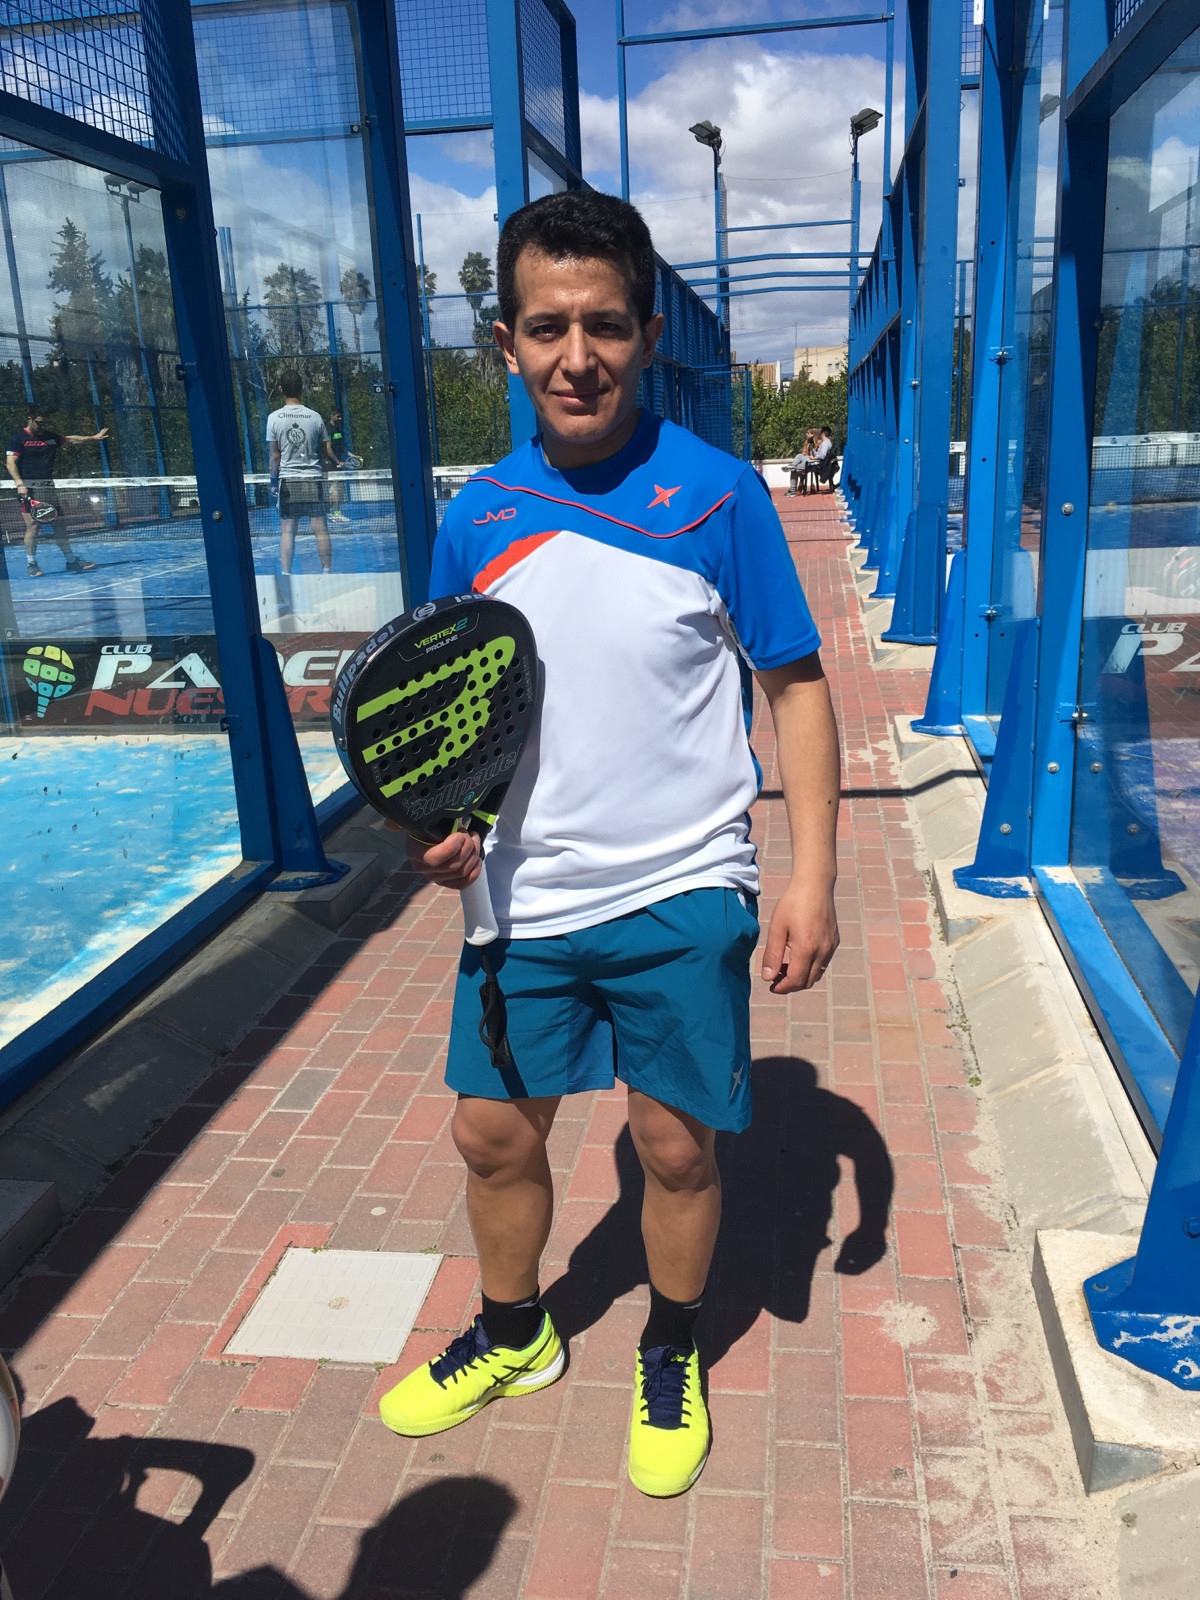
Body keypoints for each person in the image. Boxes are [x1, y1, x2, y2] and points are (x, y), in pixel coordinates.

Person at [377, 191, 840, 1499]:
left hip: (682, 886)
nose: (576, 356)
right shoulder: (477, 516)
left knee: (677, 1147)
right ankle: (515, 1335)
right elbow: (460, 705)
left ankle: (672, 1347)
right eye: (546, 327)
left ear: (645, 334)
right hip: (523, 896)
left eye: (604, 325)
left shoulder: (719, 495)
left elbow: (796, 687)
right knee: (490, 1134)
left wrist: (810, 876)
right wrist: (450, 824)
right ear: (506, 344)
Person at [5, 406, 108, 577]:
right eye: (39, 423)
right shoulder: (18, 438)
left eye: (45, 423)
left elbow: (71, 439)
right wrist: (19, 484)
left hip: (47, 488)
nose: (42, 426)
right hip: (28, 488)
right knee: (33, 526)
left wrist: (93, 438)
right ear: (30, 419)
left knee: (59, 524)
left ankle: (71, 561)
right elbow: (10, 463)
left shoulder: (50, 437)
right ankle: (32, 565)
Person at [265, 373, 341, 573]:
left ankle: (286, 575)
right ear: (302, 389)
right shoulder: (315, 417)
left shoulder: (273, 418)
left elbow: (274, 456)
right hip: (314, 480)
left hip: (288, 481)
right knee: (321, 530)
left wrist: (273, 481)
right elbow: (324, 451)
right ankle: (327, 572)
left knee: (287, 531)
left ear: (280, 389)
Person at [326, 406, 351, 526]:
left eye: (341, 416)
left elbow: (341, 448)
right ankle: (336, 514)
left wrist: (353, 456)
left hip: (336, 464)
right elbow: (328, 448)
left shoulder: (337, 430)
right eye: (338, 416)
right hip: (330, 464)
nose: (340, 418)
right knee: (336, 489)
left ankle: (331, 512)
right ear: (332, 416)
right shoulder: (328, 430)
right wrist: (338, 462)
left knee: (334, 489)